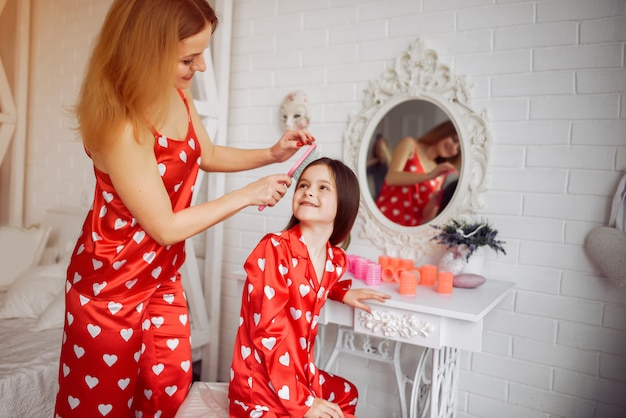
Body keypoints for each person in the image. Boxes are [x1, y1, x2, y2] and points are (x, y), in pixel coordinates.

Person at [53, 1, 314, 417]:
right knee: (100, 408)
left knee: (165, 392)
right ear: (147, 52)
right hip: (109, 292)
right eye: (189, 59)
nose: (202, 68)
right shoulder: (122, 123)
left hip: (160, 279)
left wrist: (271, 153)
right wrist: (248, 194)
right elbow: (166, 227)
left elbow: (204, 153)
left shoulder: (178, 93)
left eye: (202, 54)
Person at [229, 158, 390, 418]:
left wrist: (342, 292)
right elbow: (270, 334)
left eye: (323, 187)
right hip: (259, 385)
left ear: (344, 205)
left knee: (347, 393)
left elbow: (318, 282)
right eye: (303, 185)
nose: (309, 191)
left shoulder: (335, 259)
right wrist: (304, 403)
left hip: (301, 373)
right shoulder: (274, 249)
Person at [375, 120, 460, 226]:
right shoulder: (409, 144)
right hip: (383, 218)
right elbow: (391, 178)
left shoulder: (441, 174)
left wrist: (436, 199)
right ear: (444, 131)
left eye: (458, 149)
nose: (453, 148)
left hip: (409, 230)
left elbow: (424, 216)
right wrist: (429, 176)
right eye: (454, 139)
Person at [366, 133, 392, 199]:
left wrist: (384, 149)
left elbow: (392, 170)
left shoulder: (390, 164)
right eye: (377, 148)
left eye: (381, 149)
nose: (380, 151)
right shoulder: (374, 166)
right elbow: (361, 169)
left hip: (390, 196)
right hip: (378, 197)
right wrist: (373, 161)